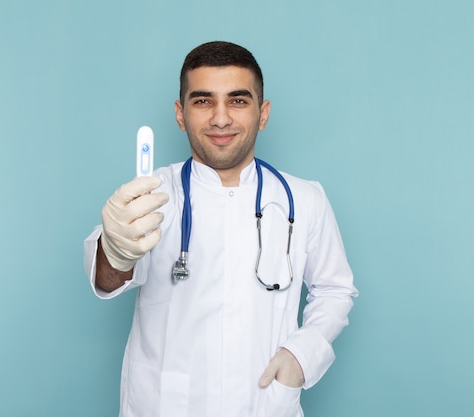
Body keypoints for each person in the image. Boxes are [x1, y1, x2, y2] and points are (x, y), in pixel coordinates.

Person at [83, 41, 358, 417]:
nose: (221, 118)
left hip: (263, 403)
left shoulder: (304, 199)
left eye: (238, 101)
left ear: (263, 113)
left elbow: (335, 289)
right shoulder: (150, 195)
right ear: (180, 114)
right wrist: (116, 251)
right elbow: (109, 277)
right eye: (203, 101)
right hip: (165, 405)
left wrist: (302, 354)